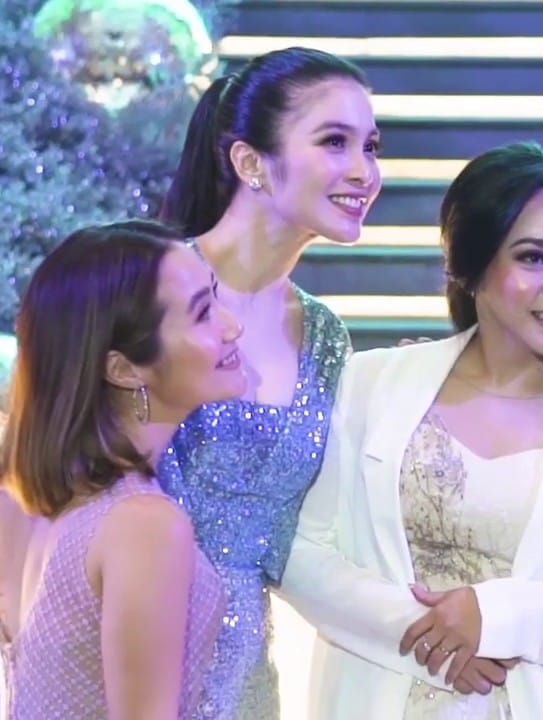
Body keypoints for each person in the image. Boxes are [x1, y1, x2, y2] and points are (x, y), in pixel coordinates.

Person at [277, 142, 543, 719]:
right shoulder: (371, 384)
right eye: (533, 258)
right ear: (469, 266)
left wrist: (501, 619)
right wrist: (432, 635)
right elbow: (301, 551)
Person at [156, 46, 381, 718]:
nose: (364, 172)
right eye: (335, 142)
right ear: (250, 162)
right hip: (119, 663)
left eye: (372, 146)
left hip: (249, 685)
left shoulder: (325, 338)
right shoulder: (142, 288)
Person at [0, 221, 243, 718]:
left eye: (216, 297)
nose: (231, 325)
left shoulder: (24, 498)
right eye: (202, 313)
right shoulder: (145, 523)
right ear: (124, 369)